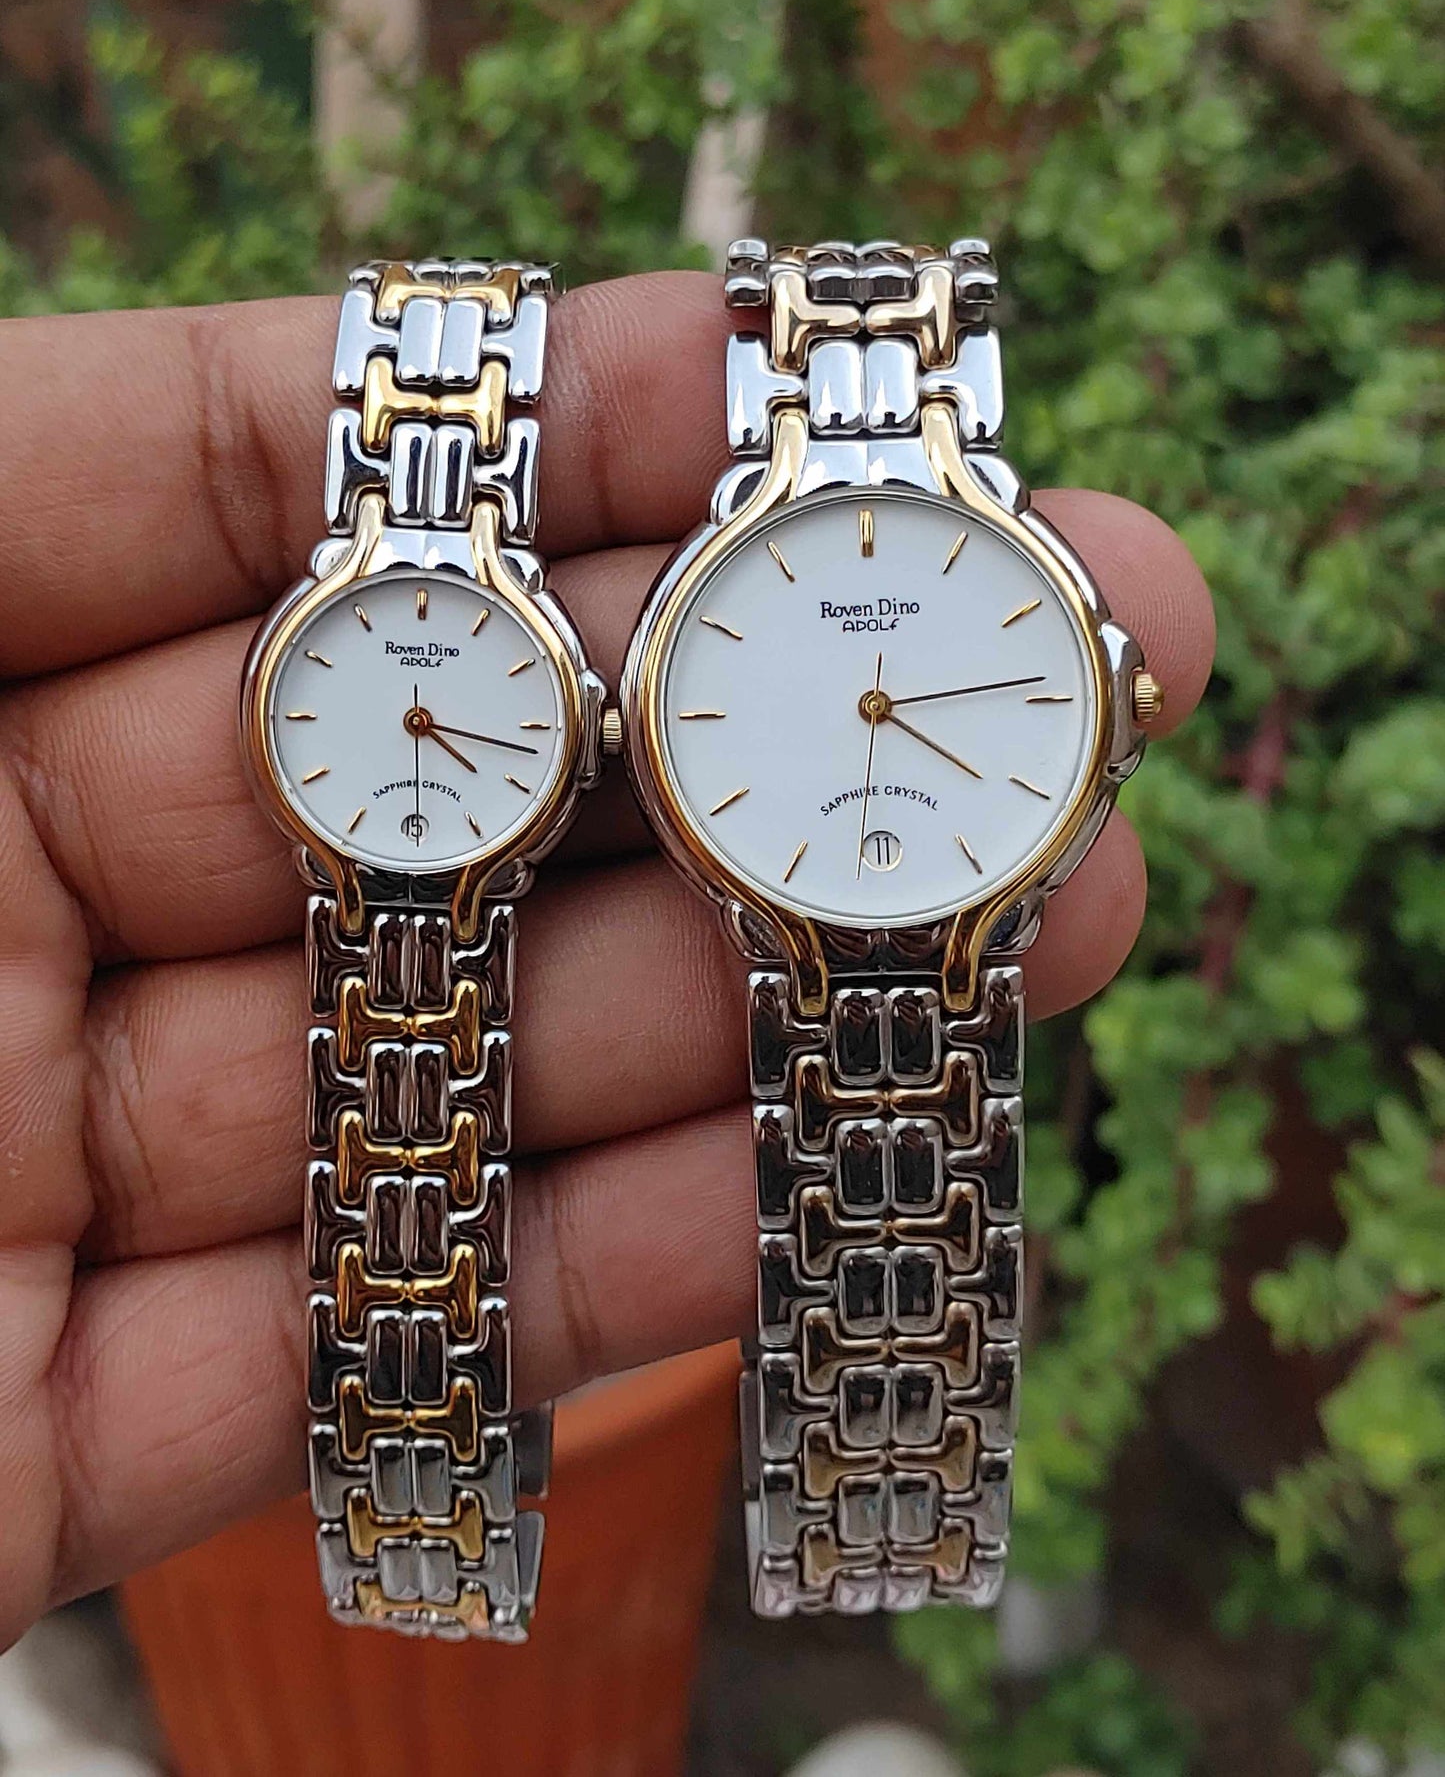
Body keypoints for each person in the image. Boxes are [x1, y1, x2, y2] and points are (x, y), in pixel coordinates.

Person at [0, 271, 1214, 1651]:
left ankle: (873, 1521)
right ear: (627, 714)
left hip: (937, 916)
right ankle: (837, 1524)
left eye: (886, 695)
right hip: (812, 913)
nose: (873, 703)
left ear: (1108, 699)